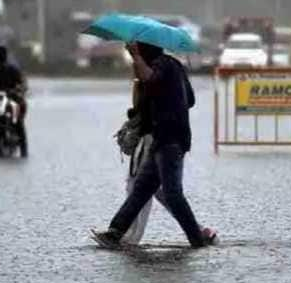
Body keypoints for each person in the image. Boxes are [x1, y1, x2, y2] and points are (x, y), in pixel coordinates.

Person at [92, 42, 213, 248]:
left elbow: (152, 80)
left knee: (172, 194)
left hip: (171, 140)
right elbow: (189, 99)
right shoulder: (173, 65)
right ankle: (115, 233)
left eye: (140, 50)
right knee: (140, 190)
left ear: (146, 51)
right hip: (161, 140)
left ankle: (197, 238)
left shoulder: (162, 66)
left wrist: (136, 58)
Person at [119, 80, 217, 245]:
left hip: (158, 142)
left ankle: (128, 237)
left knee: (140, 187)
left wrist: (137, 120)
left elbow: (148, 114)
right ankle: (199, 231)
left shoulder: (158, 78)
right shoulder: (151, 78)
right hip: (159, 142)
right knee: (156, 191)